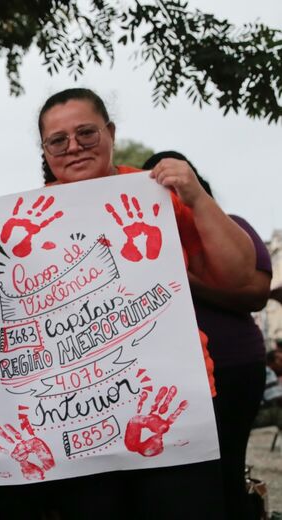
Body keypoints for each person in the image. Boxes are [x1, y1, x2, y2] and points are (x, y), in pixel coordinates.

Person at [0, 88, 257, 519]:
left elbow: (240, 273)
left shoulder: (157, 195)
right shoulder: (18, 224)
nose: (73, 147)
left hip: (173, 407)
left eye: (86, 133)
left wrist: (197, 197)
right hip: (71, 423)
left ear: (110, 132)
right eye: (58, 140)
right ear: (44, 149)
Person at [143, 150, 271, 519]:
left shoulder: (233, 229)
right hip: (175, 379)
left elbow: (257, 293)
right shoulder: (145, 241)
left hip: (233, 368)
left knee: (224, 470)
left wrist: (185, 277)